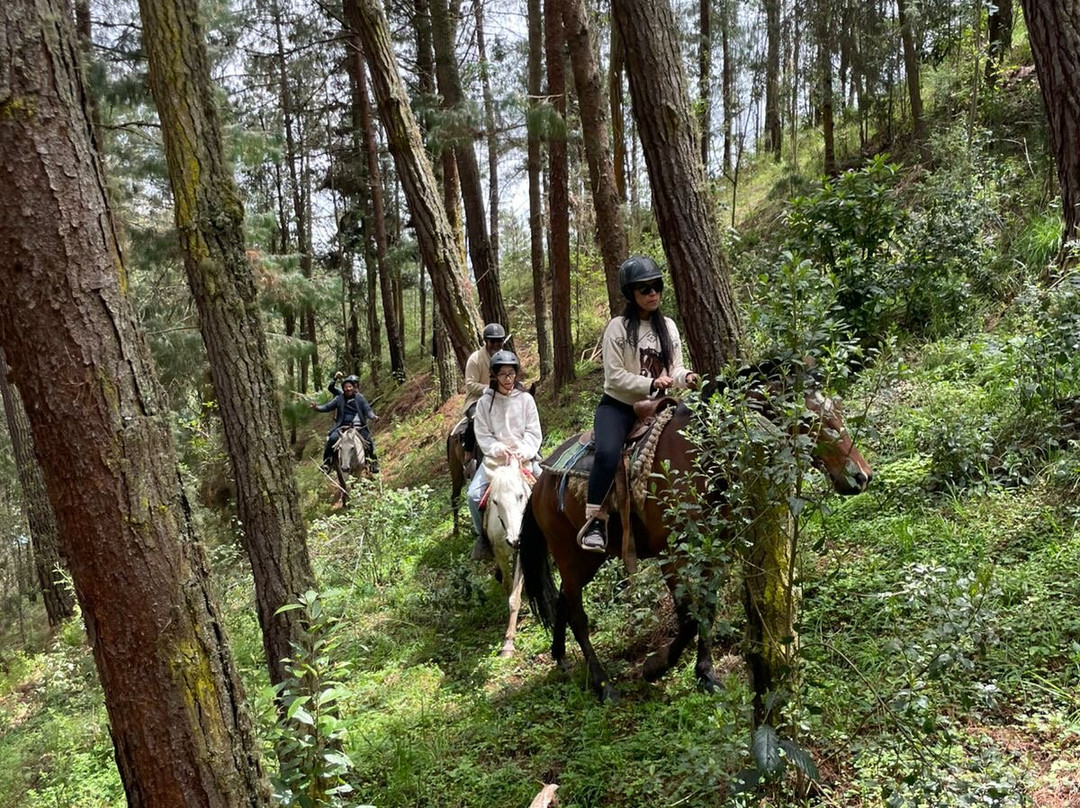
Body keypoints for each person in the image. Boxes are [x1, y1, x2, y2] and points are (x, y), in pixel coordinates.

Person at [579, 256, 698, 553]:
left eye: (656, 286)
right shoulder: (618, 328)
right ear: (631, 294)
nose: (652, 293)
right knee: (607, 453)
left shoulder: (667, 327)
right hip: (619, 406)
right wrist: (650, 384)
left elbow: (675, 369)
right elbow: (615, 376)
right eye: (644, 289)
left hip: (661, 405)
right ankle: (595, 520)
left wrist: (688, 377)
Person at [467, 350, 542, 560]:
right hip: (496, 461)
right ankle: (484, 538)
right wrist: (499, 448)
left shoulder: (526, 399)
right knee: (473, 496)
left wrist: (523, 450)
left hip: (524, 458)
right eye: (503, 374)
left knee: (547, 489)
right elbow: (483, 434)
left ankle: (547, 535)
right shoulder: (484, 403)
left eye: (511, 373)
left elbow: (534, 431)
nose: (508, 379)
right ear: (494, 376)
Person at [311, 372, 380, 474]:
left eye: (350, 386)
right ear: (343, 388)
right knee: (332, 440)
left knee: (369, 442)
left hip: (359, 427)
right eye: (346, 387)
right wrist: (317, 408)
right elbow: (327, 407)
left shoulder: (360, 398)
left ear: (354, 386)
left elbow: (367, 410)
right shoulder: (339, 398)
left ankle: (373, 463)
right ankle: (327, 462)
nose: (348, 389)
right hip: (342, 427)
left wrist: (373, 417)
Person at [460, 323, 509, 462]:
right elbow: (470, 384)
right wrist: (487, 389)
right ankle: (468, 452)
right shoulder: (475, 359)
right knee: (475, 419)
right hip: (476, 400)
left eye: (499, 341)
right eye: (493, 341)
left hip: (502, 399)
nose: (496, 344)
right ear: (486, 341)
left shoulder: (507, 358)